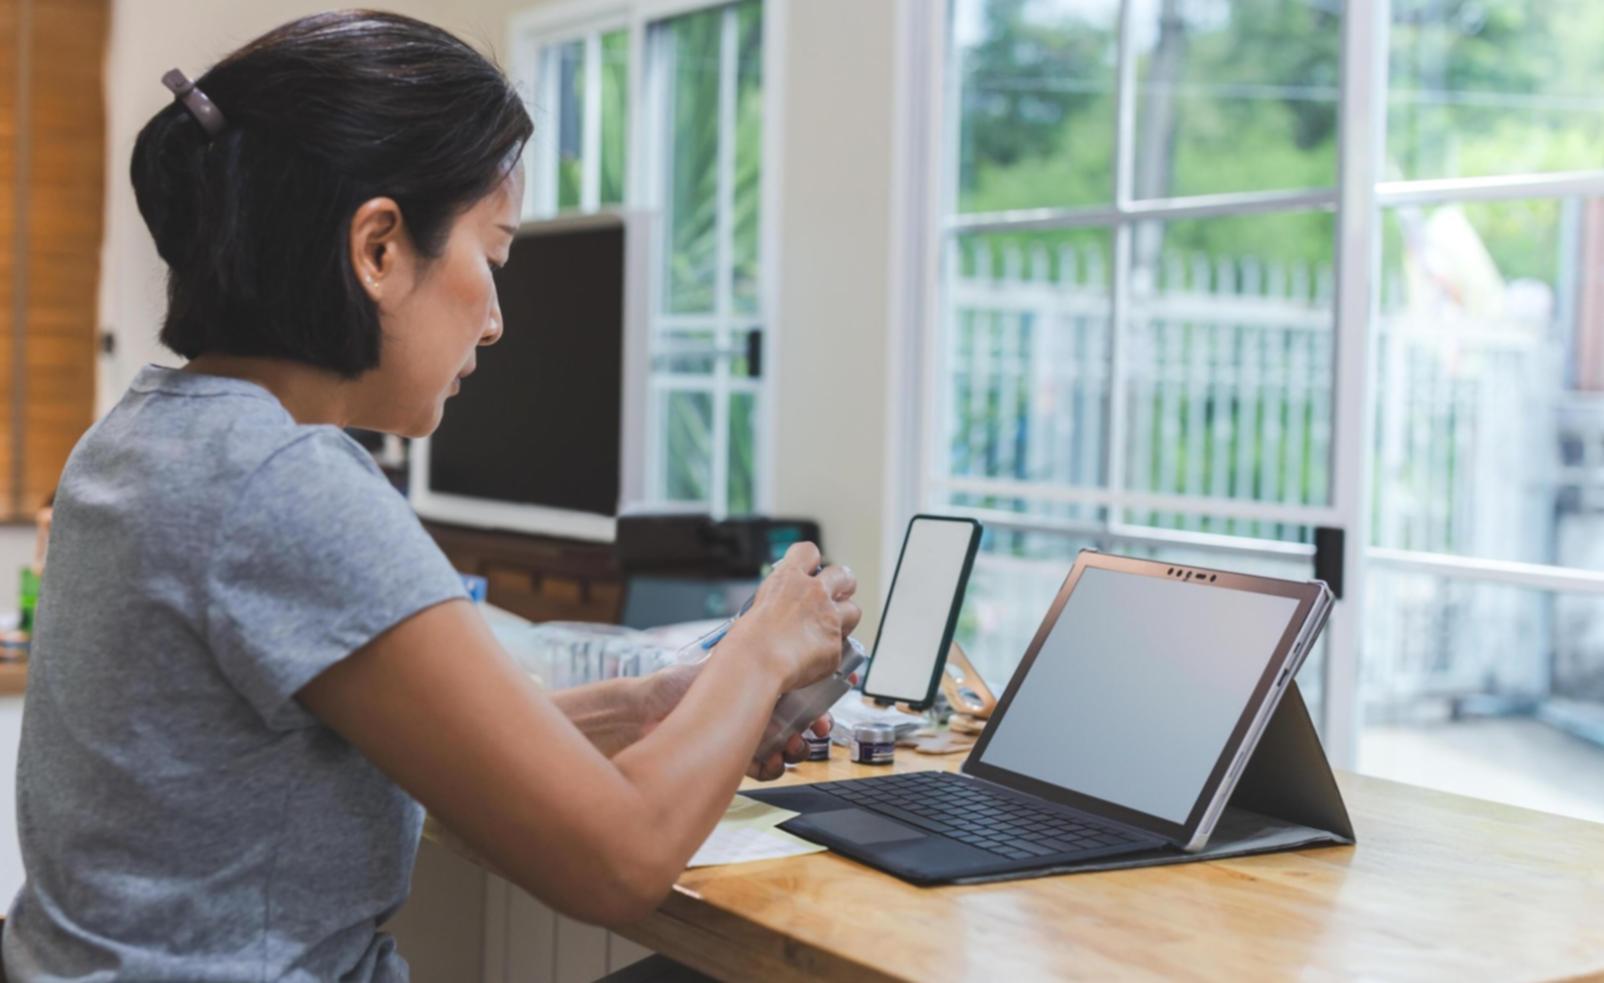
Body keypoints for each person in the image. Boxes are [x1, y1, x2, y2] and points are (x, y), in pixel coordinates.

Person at [4, 11, 858, 982]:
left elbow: (390, 738)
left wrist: (653, 702)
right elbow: (618, 862)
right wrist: (762, 645)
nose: (495, 323)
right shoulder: (286, 487)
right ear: (377, 247)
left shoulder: (143, 437)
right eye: (489, 258)